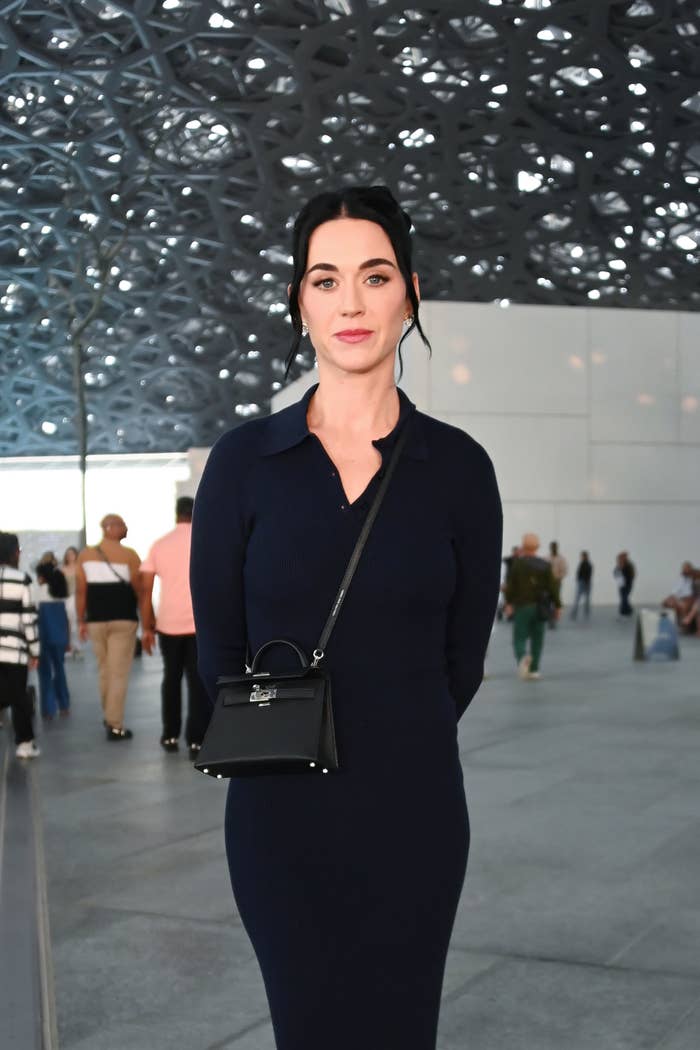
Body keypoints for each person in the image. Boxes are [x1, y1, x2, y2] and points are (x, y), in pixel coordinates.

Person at [190, 185, 503, 1050]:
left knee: (403, 1030)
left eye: (375, 275)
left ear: (410, 293)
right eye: (325, 280)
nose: (351, 302)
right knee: (308, 1027)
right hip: (279, 814)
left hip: (415, 808)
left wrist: (394, 731)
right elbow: (218, 653)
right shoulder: (245, 463)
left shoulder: (459, 469)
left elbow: (463, 660)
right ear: (300, 300)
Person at [139, 496, 209, 758]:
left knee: (171, 678)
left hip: (168, 625)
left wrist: (147, 628)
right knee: (197, 682)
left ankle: (169, 735)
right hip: (199, 624)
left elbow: (146, 590)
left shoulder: (160, 544)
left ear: (176, 513)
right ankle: (196, 741)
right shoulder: (206, 539)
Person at [76, 514, 141, 740]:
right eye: (122, 525)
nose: (126, 528)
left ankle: (109, 715)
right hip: (123, 619)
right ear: (109, 527)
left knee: (105, 670)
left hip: (95, 620)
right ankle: (115, 724)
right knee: (118, 673)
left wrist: (81, 620)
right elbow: (140, 590)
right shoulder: (130, 555)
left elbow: (81, 591)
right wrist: (148, 618)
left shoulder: (85, 555)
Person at [0, 532, 41, 758]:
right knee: (18, 698)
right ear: (14, 553)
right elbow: (28, 619)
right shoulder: (22, 579)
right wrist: (35, 650)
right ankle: (25, 744)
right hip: (14, 651)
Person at [504, 532, 560, 679]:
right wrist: (558, 606)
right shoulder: (545, 565)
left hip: (522, 607)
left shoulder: (518, 565)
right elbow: (553, 587)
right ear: (538, 546)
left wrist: (508, 603)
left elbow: (511, 586)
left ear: (523, 546)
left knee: (519, 637)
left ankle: (522, 657)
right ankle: (534, 670)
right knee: (538, 639)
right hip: (541, 607)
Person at [35, 562, 71, 719]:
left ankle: (48, 709)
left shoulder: (38, 592)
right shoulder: (61, 593)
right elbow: (68, 619)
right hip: (60, 636)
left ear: (42, 577)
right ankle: (64, 705)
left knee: (45, 673)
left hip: (43, 637)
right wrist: (68, 640)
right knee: (60, 670)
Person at [62, 545, 84, 657]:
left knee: (76, 621)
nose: (70, 556)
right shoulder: (63, 569)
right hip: (66, 598)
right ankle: (69, 646)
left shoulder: (80, 568)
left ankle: (77, 646)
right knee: (68, 623)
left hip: (77, 598)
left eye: (72, 554)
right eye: (68, 554)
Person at [548, 540, 568, 626]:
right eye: (552, 547)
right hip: (548, 582)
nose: (553, 548)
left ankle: (554, 618)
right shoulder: (547, 558)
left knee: (555, 600)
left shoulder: (561, 559)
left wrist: (559, 577)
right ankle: (550, 618)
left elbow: (564, 570)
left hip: (556, 582)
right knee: (548, 600)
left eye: (554, 547)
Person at [571, 551, 593, 620]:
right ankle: (581, 612)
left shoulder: (587, 565)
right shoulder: (585, 564)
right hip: (584, 582)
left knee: (580, 598)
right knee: (584, 599)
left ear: (585, 556)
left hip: (584, 583)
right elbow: (579, 573)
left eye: (582, 556)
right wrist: (578, 579)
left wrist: (579, 580)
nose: (581, 557)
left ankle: (577, 612)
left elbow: (586, 574)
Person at [614, 551, 635, 617]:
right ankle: (625, 610)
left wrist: (628, 579)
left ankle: (626, 610)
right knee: (623, 597)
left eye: (621, 557)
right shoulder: (618, 565)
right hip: (621, 584)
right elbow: (615, 572)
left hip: (628, 584)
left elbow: (632, 574)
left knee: (624, 597)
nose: (620, 559)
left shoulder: (629, 565)